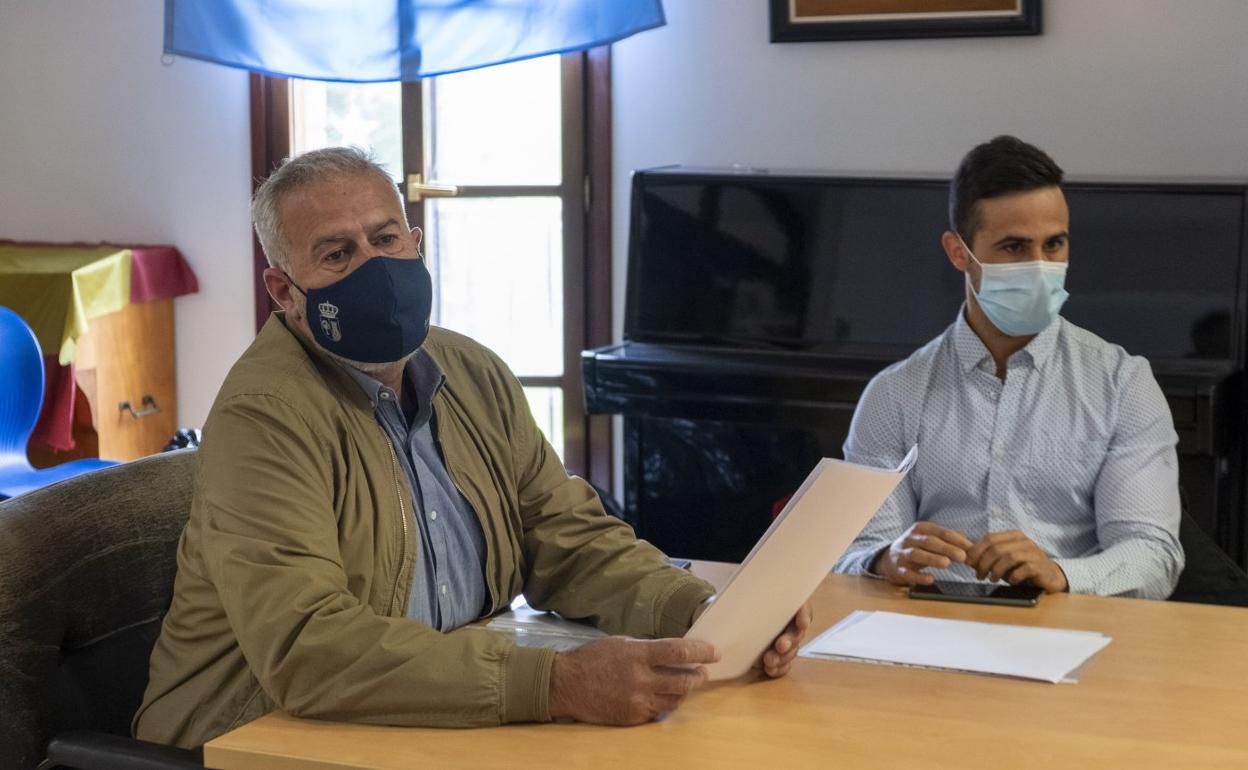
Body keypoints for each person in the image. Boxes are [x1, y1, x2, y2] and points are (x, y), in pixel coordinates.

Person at [134, 147, 810, 748]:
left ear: (416, 244)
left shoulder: (473, 372)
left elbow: (567, 539)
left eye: (385, 238)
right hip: (254, 736)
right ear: (285, 291)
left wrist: (695, 611)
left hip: (413, 717)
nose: (373, 266)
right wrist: (554, 684)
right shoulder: (266, 415)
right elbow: (308, 647)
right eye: (338, 254)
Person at [833, 135, 1183, 600]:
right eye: (1015, 247)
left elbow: (1152, 553)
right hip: (929, 630)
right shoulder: (894, 394)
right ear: (959, 253)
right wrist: (885, 559)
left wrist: (1062, 574)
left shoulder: (1122, 383)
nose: (1042, 267)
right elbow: (854, 550)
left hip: (1069, 627)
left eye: (1054, 244)